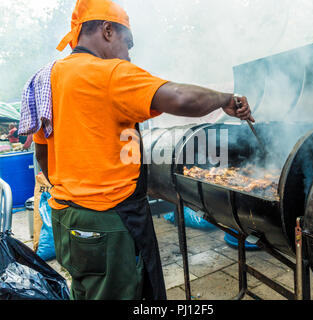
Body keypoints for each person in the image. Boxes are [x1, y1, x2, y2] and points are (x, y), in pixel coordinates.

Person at [32, 0, 254, 300]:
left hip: (66, 217)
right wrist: (226, 98)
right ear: (108, 30)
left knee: (86, 291)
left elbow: (43, 154)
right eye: (128, 42)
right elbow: (180, 98)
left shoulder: (47, 78)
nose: (128, 53)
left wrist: (72, 189)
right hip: (110, 222)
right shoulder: (108, 73)